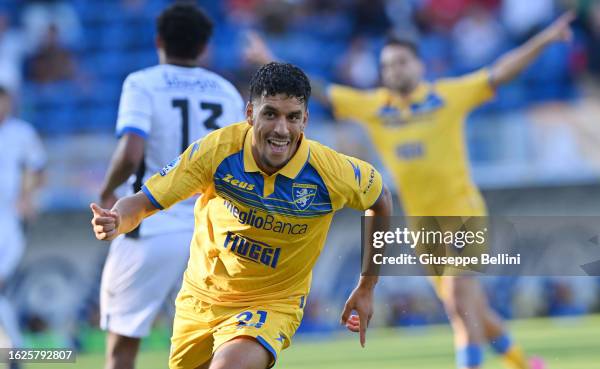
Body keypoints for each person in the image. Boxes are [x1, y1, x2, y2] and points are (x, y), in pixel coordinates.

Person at [245, 11, 575, 369]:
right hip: (424, 227)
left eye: (401, 62)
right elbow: (323, 92)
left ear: (419, 65)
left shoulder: (448, 96)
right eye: (386, 66)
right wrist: (268, 59)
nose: (393, 71)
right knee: (470, 310)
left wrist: (545, 39)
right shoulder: (376, 106)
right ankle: (526, 364)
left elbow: (502, 71)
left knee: (459, 300)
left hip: (464, 213)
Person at [91, 62, 392, 369]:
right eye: (270, 113)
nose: (281, 129)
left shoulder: (331, 172)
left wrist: (367, 285)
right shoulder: (217, 151)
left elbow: (381, 200)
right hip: (201, 299)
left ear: (305, 121)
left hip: (273, 303)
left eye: (293, 117)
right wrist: (117, 220)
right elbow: (143, 202)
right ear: (250, 114)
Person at [97, 4, 245, 369]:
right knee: (199, 349)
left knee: (122, 347)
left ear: (159, 40)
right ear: (205, 46)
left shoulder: (142, 82)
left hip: (148, 226)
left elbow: (131, 153)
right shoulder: (226, 91)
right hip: (207, 234)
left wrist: (107, 191)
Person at [0, 85, 46, 368]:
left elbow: (36, 168)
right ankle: (15, 350)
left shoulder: (21, 133)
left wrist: (26, 197)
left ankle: (15, 350)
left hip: (8, 219)